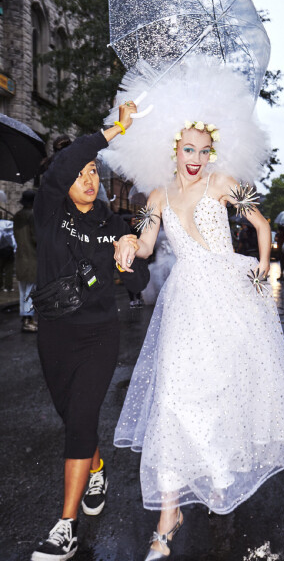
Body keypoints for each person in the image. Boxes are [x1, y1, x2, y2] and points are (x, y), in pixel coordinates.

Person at [106, 61, 284, 560]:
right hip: (185, 299)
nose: (197, 159)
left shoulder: (224, 182)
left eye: (205, 151)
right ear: (171, 147)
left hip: (229, 291)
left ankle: (218, 475)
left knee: (226, 388)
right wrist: (125, 241)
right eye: (189, 149)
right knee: (174, 393)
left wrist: (261, 268)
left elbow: (264, 226)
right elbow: (144, 244)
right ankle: (167, 517)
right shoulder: (155, 196)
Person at [30, 102, 150, 561]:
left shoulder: (109, 220)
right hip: (55, 333)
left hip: (100, 333)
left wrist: (129, 245)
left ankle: (66, 526)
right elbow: (61, 165)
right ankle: (95, 466)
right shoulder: (49, 211)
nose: (89, 178)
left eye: (94, 172)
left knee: (80, 420)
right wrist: (115, 129)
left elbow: (138, 279)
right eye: (81, 171)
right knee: (71, 417)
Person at [13, 189, 38, 333]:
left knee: (23, 291)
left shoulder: (17, 216)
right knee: (30, 291)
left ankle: (25, 318)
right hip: (32, 258)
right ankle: (28, 320)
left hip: (21, 257)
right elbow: (36, 238)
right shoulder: (32, 216)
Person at [0, 218, 15, 292]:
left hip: (1, 251)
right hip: (9, 251)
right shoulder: (11, 230)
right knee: (9, 270)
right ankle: (8, 286)